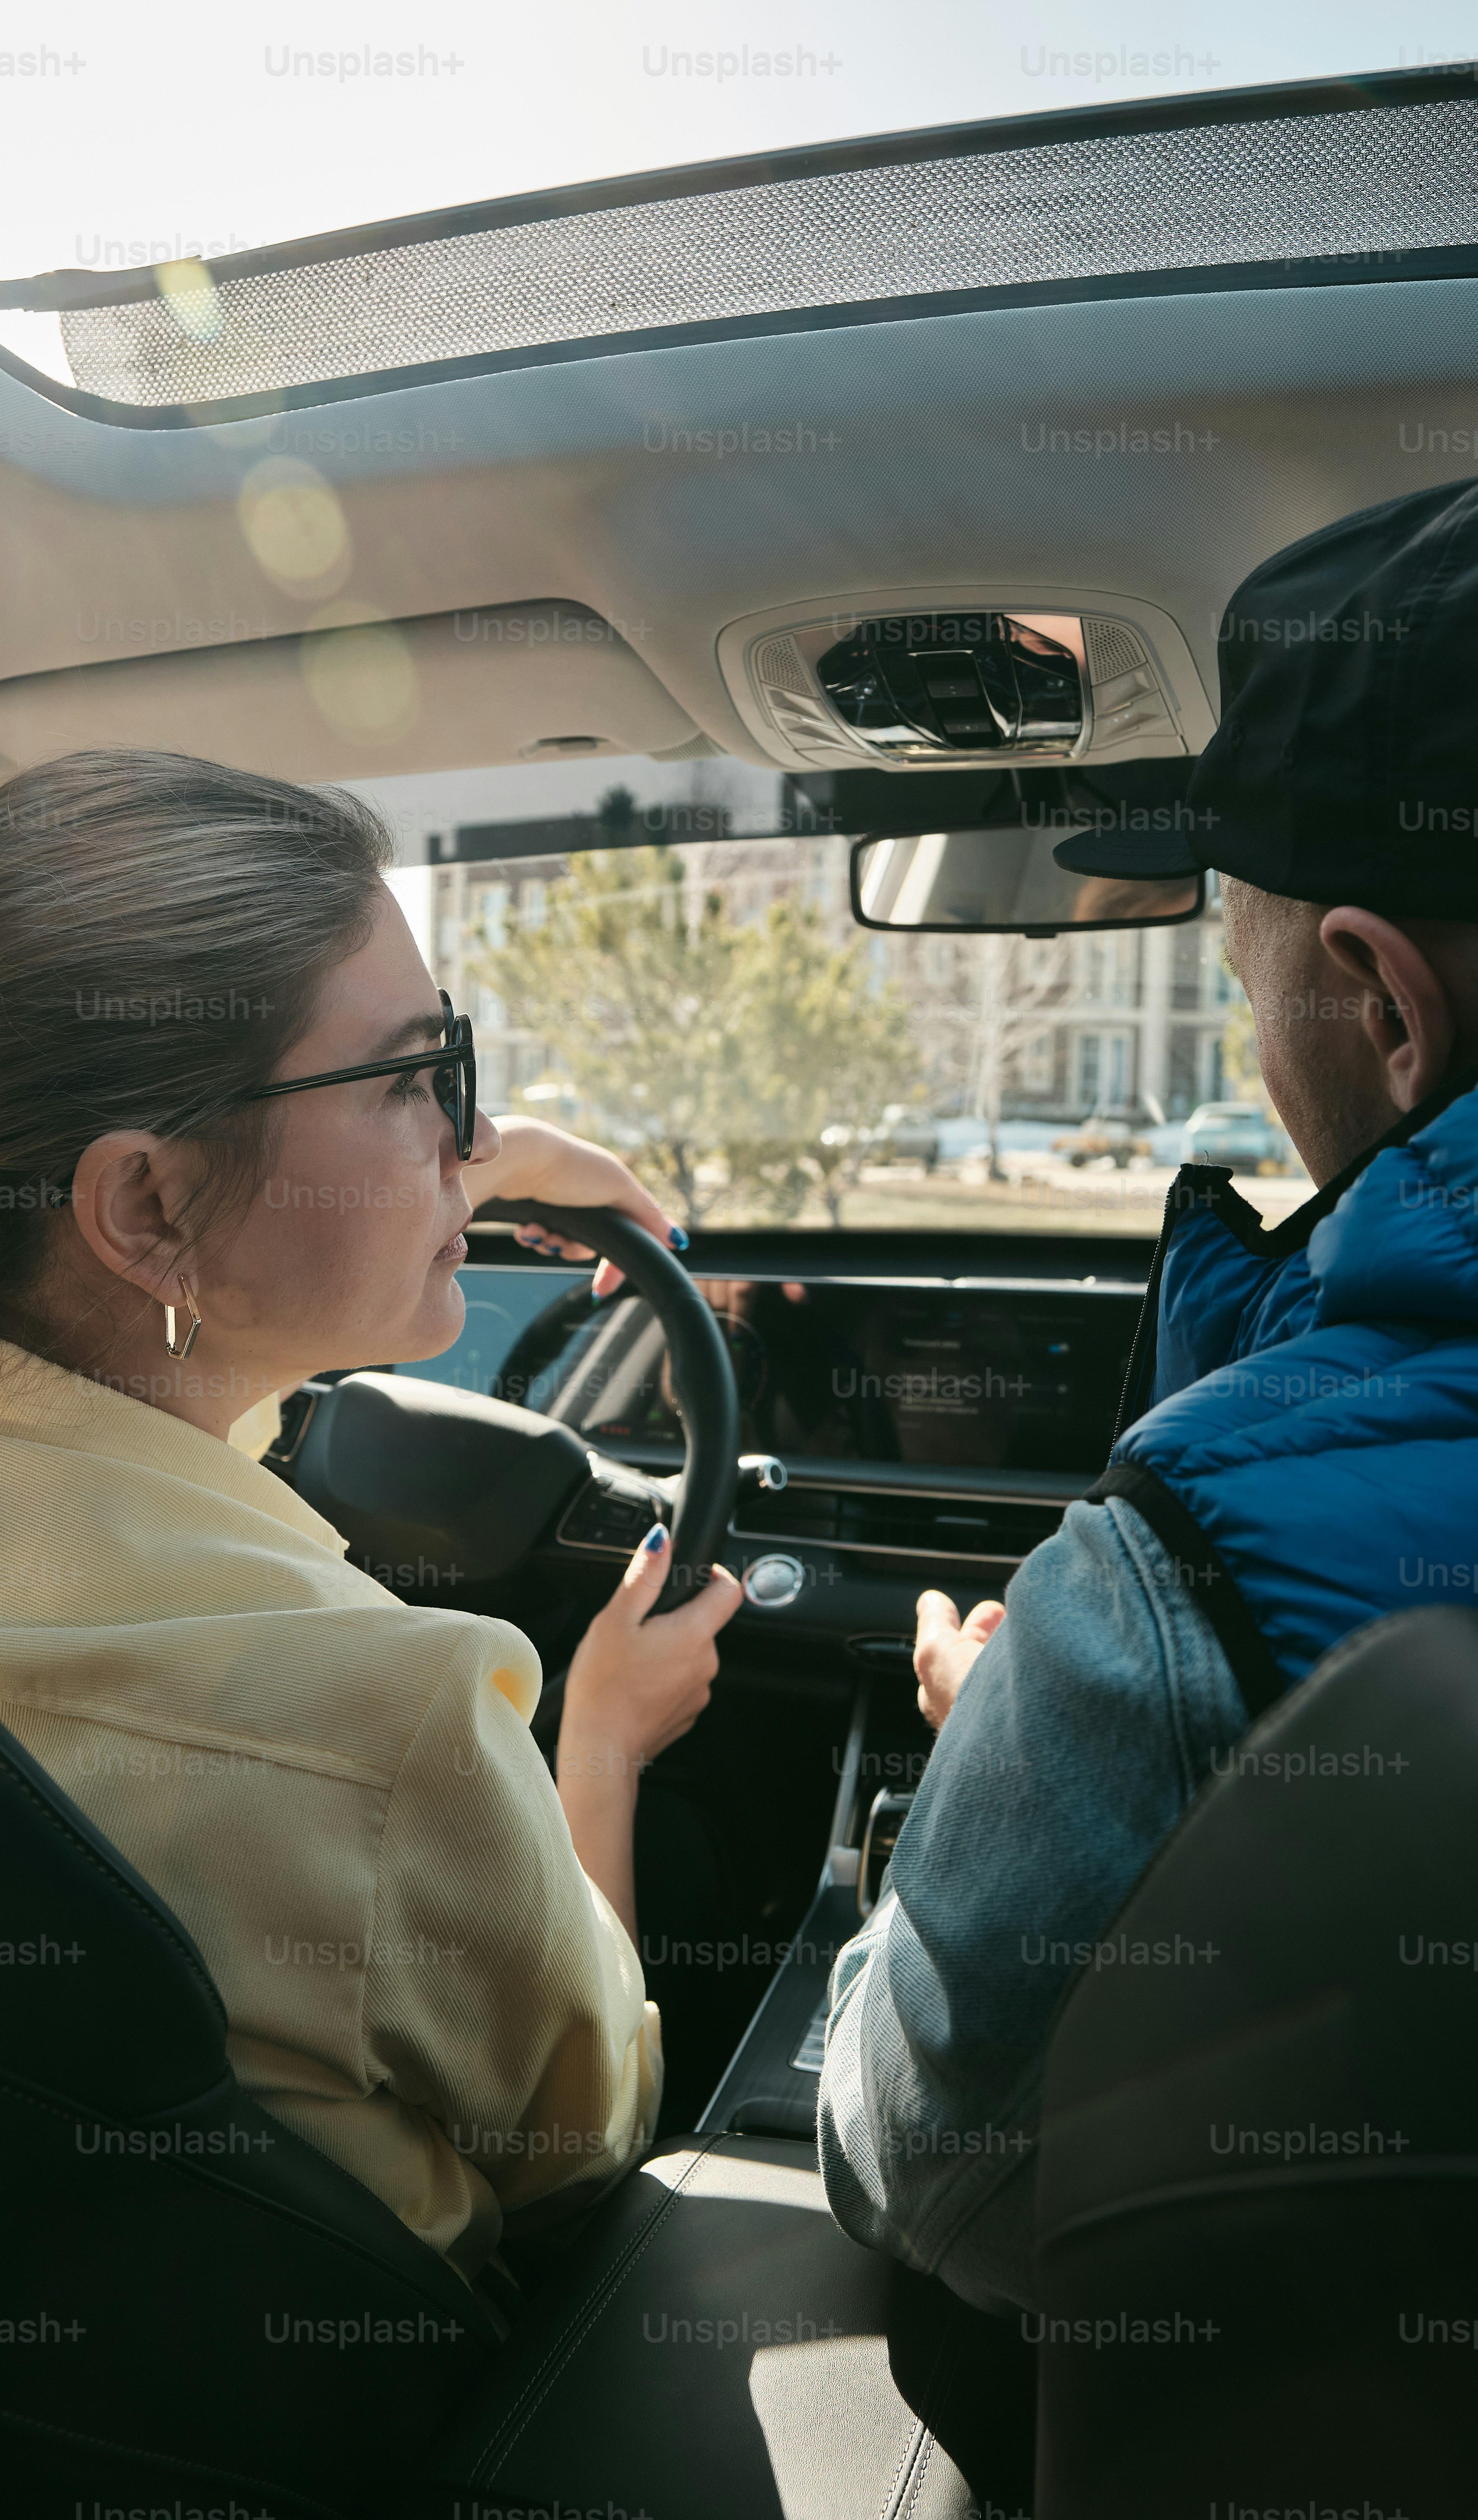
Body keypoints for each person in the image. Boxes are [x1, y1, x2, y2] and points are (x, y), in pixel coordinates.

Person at [0, 748, 742, 2283]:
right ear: (148, 1209)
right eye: (413, 1081)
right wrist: (605, 1746)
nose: (463, 1132)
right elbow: (589, 2153)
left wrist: (463, 1162)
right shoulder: (393, 1720)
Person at [818, 476, 1478, 2313]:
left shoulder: (1187, 1581)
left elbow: (920, 2165)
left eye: (1250, 985)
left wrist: (991, 1767)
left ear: (1384, 1009)